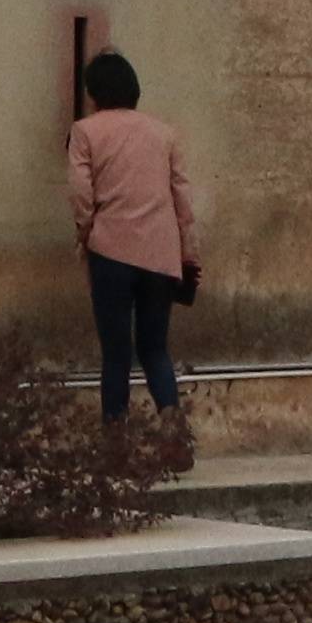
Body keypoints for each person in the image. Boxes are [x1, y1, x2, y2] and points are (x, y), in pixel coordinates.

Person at [67, 46, 198, 427]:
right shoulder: (164, 134)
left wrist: (87, 232)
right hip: (160, 255)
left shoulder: (85, 131)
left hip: (110, 251)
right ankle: (172, 422)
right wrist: (189, 256)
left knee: (116, 352)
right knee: (155, 347)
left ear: (93, 93)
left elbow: (80, 193)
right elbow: (183, 201)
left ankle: (116, 437)